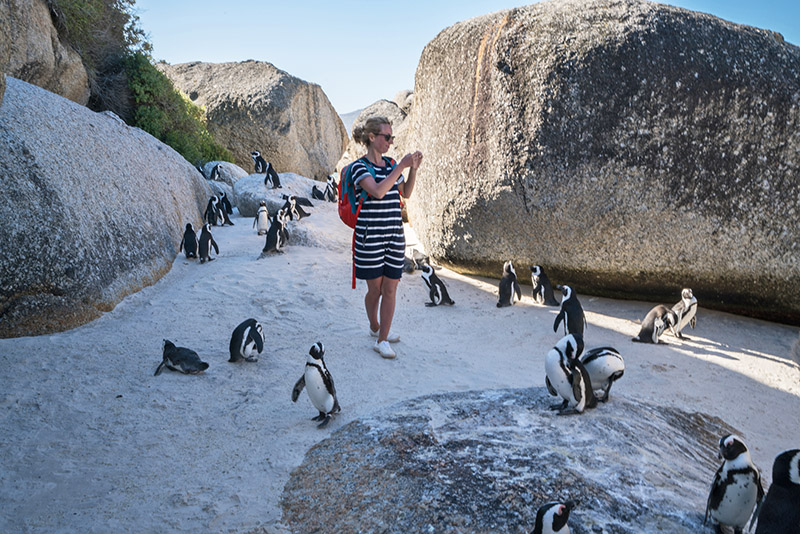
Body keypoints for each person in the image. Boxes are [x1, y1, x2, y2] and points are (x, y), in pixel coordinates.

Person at [350, 116, 423, 359]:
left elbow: (407, 193)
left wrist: (412, 168)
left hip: (394, 235)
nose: (391, 142)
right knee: (376, 290)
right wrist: (400, 167)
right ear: (372, 138)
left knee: (390, 289)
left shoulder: (392, 164)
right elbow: (379, 192)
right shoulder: (360, 167)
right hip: (369, 237)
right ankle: (375, 326)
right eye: (387, 137)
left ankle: (382, 338)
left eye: (392, 137)